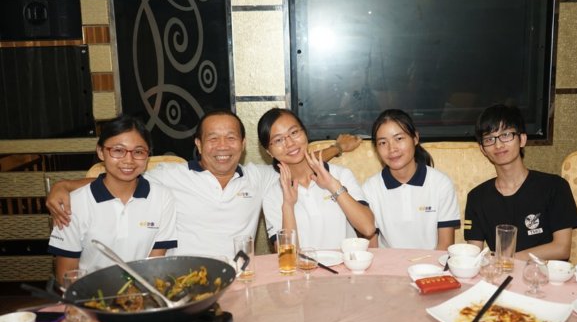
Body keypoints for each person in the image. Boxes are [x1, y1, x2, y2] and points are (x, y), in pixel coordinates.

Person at [46, 110, 360, 259]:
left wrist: (337, 148)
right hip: (186, 283)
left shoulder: (261, 177)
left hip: (241, 279)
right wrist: (66, 184)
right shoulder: (171, 175)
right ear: (198, 144)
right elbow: (122, 176)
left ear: (243, 144)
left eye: (231, 137)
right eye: (213, 138)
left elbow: (296, 158)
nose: (222, 146)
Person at [48, 115, 178, 283]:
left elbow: (155, 265)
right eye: (118, 150)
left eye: (138, 152)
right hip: (90, 294)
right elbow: (66, 274)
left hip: (144, 292)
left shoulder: (162, 198)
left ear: (148, 156)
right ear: (101, 152)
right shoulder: (73, 204)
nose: (128, 160)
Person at [464, 104, 577, 260]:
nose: (498, 145)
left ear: (522, 139)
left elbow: (561, 248)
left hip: (544, 272)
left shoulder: (555, 186)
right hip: (501, 273)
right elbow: (473, 254)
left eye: (506, 135)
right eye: (489, 139)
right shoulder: (477, 197)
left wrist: (507, 259)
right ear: (482, 149)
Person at [257, 108, 376, 248]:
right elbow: (287, 255)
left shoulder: (341, 175)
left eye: (294, 133)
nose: (290, 143)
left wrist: (333, 186)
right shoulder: (272, 196)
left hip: (346, 261)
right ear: (269, 152)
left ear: (305, 133)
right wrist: (288, 205)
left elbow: (368, 228)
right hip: (303, 263)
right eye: (278, 140)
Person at [362, 109, 460, 250]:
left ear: (415, 138)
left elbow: (445, 246)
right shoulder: (370, 188)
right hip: (387, 263)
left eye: (399, 139)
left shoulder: (441, 184)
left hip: (431, 263)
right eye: (383, 142)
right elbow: (372, 249)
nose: (392, 149)